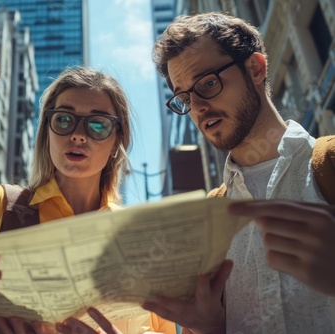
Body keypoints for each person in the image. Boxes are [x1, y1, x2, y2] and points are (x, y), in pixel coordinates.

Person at [0, 67, 177, 333]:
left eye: (98, 124)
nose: (78, 135)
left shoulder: (142, 239)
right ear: (47, 130)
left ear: (117, 141)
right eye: (64, 120)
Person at [143, 11, 335, 334]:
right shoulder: (209, 223)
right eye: (185, 98)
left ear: (256, 69)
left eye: (207, 83)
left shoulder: (328, 163)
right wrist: (212, 327)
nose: (198, 107)